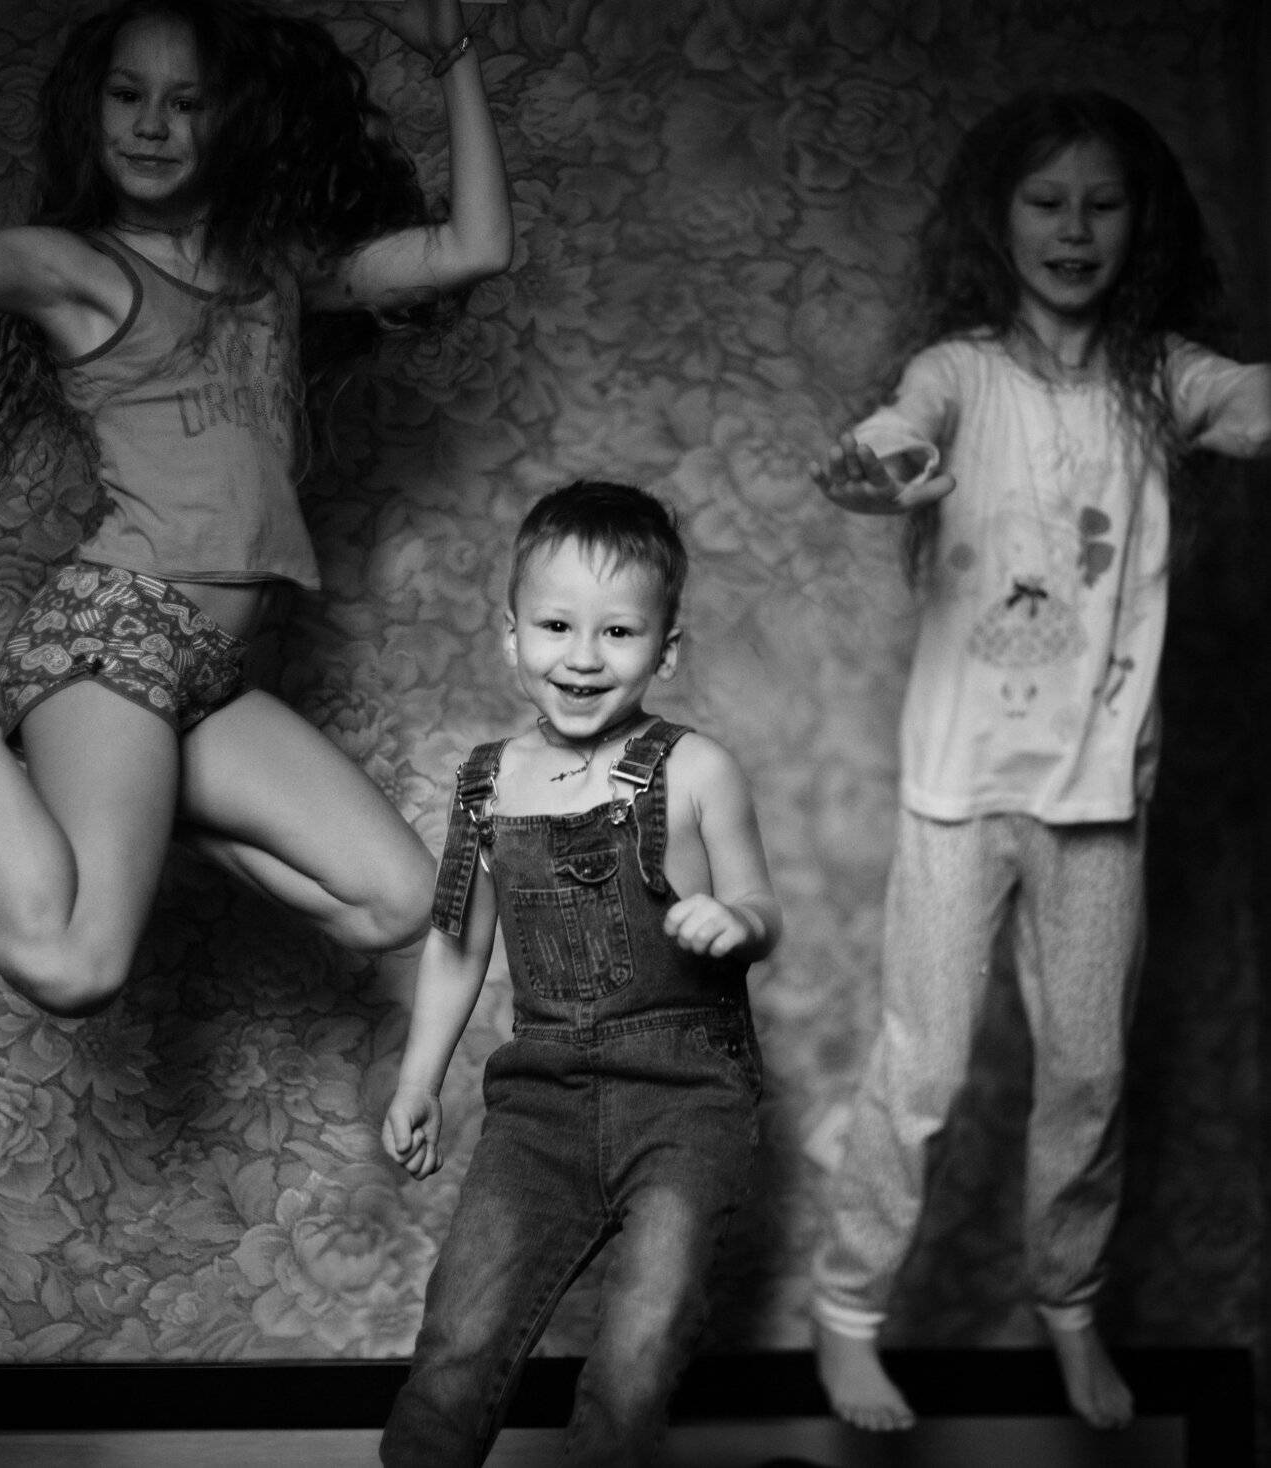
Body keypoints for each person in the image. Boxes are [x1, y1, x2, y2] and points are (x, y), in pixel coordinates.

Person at [0, 0, 512, 1016]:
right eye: (128, 96)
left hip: (205, 673)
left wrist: (452, 52)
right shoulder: (72, 269)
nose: (151, 126)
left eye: (185, 102)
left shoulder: (275, 272)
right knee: (73, 966)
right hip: (114, 632)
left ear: (231, 119)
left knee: (397, 902)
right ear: (94, 108)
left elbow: (475, 247)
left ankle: (85, 757)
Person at [808, 88, 1271, 1433]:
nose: (1074, 229)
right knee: (922, 1069)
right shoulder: (959, 372)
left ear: (1141, 223)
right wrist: (875, 465)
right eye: (1046, 201)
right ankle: (847, 1310)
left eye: (1102, 203)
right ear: (997, 217)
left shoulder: (1159, 378)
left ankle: (1069, 1307)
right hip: (960, 789)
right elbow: (900, 424)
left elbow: (1249, 404)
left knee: (1088, 1076)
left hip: (1099, 794)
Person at [380, 481, 781, 1466]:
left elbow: (762, 907)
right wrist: (419, 1078)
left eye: (619, 632)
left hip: (686, 1098)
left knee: (642, 1346)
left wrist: (734, 920)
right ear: (511, 635)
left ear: (666, 650)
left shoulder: (695, 768)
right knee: (460, 1336)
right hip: (541, 1102)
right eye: (557, 625)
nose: (584, 657)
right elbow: (458, 943)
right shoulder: (485, 782)